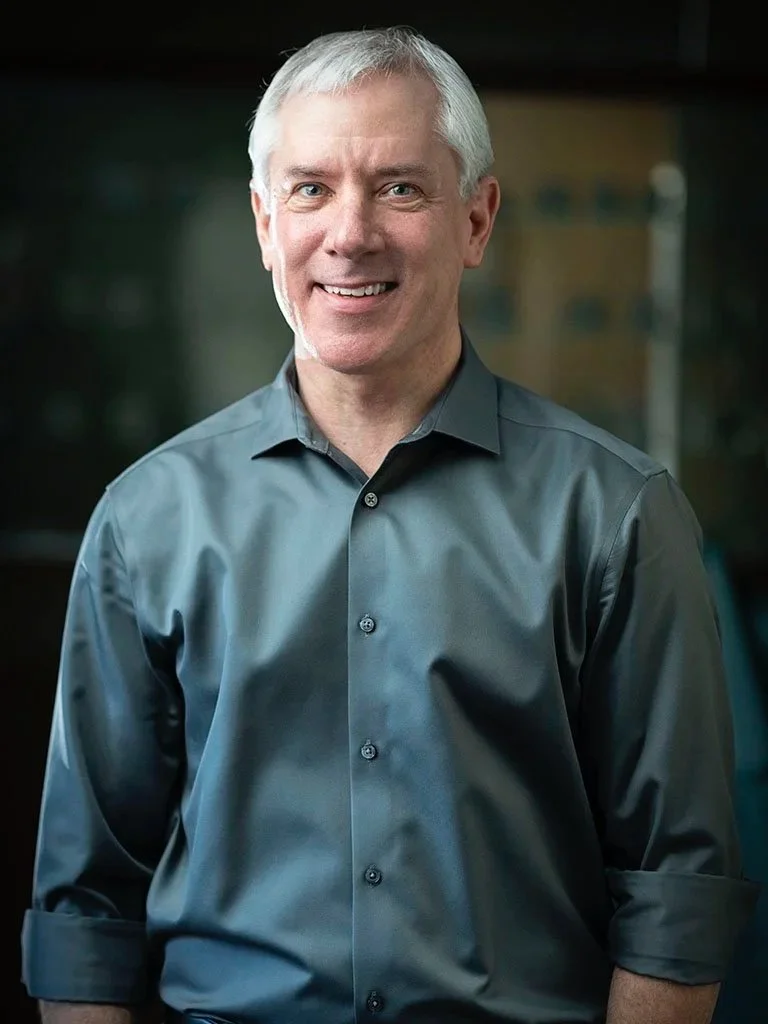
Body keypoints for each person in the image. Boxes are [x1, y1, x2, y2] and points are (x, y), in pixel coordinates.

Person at [22, 26, 759, 1024]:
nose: (351, 232)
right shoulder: (148, 519)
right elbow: (86, 911)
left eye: (401, 188)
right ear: (263, 221)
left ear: (477, 218)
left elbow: (676, 894)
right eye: (311, 188)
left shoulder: (617, 515)